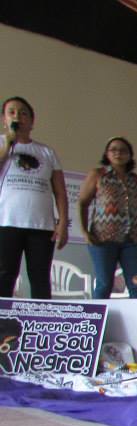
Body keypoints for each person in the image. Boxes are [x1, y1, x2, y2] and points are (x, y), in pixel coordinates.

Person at [0, 97, 68, 298]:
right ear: (4, 119)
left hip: (42, 225)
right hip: (6, 222)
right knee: (5, 276)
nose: (17, 116)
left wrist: (62, 223)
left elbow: (60, 191)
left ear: (31, 120)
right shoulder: (2, 144)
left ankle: (42, 324)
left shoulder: (47, 152)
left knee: (40, 277)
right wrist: (8, 143)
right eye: (11, 112)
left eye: (23, 113)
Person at [76, 137, 137, 298]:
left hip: (133, 240)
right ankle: (97, 322)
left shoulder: (136, 180)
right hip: (102, 239)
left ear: (130, 155)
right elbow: (82, 203)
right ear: (106, 154)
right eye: (113, 149)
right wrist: (84, 231)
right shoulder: (98, 175)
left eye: (123, 150)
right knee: (104, 284)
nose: (118, 153)